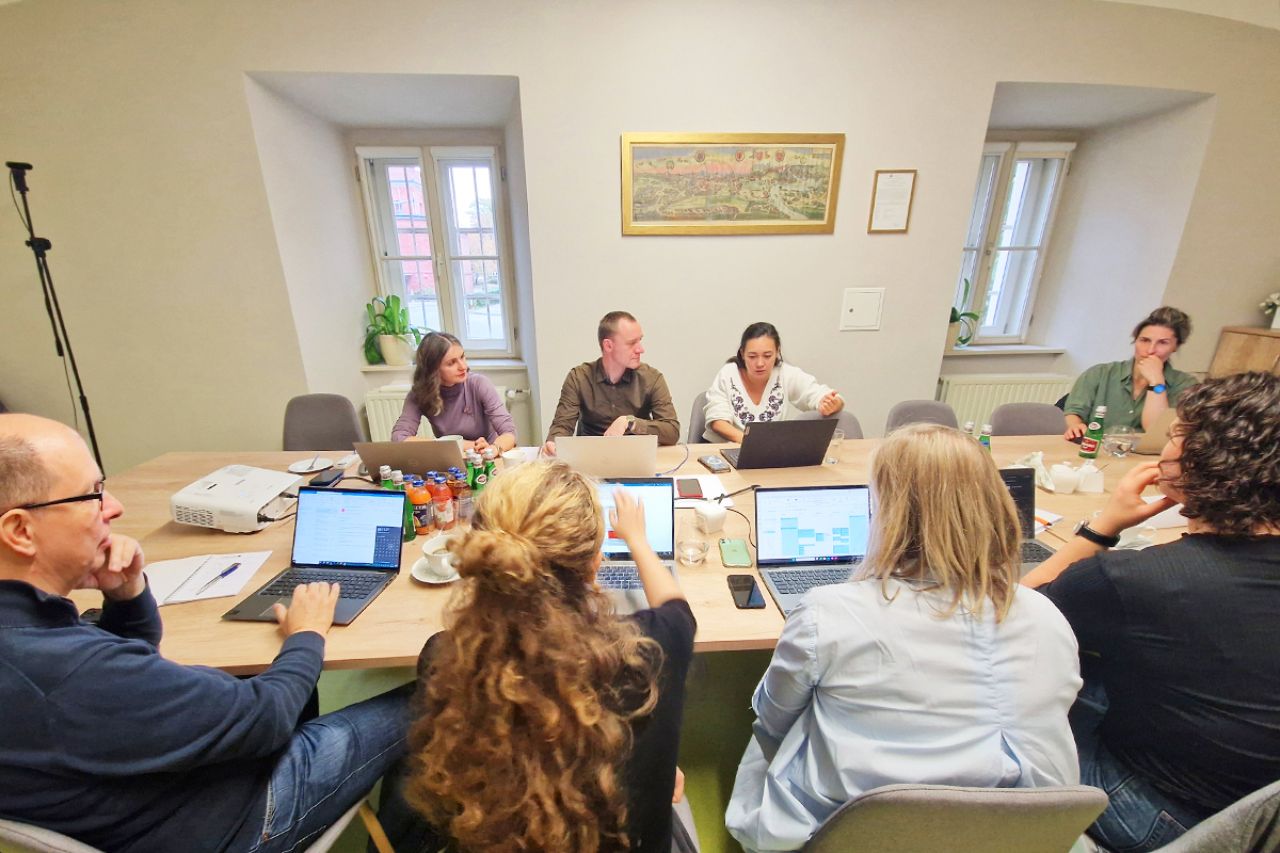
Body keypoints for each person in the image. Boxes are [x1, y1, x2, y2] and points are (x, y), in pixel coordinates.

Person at [0, 413, 411, 853]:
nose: (114, 508)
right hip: (235, 818)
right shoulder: (67, 671)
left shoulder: (32, 644)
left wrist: (126, 594)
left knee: (278, 677)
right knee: (441, 694)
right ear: (20, 530)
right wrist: (307, 634)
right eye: (93, 494)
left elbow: (127, 670)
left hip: (138, 801)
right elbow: (267, 717)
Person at [725, 424, 1081, 852]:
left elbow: (773, 720)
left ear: (886, 514)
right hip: (1014, 837)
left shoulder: (829, 612)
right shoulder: (1046, 617)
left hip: (851, 834)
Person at [379, 460, 696, 853]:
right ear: (594, 565)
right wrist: (638, 540)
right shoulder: (654, 646)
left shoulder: (446, 658)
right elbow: (677, 608)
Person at [1025, 371, 1280, 852]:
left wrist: (1102, 527)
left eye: (1177, 433)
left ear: (1194, 461)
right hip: (1262, 816)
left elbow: (1018, 615)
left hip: (1171, 820)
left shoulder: (1134, 580)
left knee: (1041, 689)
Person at [543, 311, 681, 455]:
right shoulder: (579, 378)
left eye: (640, 340)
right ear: (608, 346)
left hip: (635, 455)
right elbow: (562, 425)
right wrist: (553, 442)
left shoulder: (651, 378)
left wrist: (630, 422)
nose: (641, 349)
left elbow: (672, 431)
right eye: (631, 343)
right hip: (591, 456)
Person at [1062, 306, 1197, 439]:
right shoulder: (1100, 373)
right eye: (1144, 340)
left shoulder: (1186, 385)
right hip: (1095, 447)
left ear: (1175, 347)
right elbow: (1074, 412)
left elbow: (1156, 431)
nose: (1150, 350)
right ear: (1135, 340)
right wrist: (1075, 425)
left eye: (1162, 343)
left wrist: (1156, 382)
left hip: (1145, 452)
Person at [703, 322, 843, 442]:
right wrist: (750, 442)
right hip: (725, 449)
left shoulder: (785, 374)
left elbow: (822, 395)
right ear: (742, 353)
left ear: (777, 352)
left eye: (767, 356)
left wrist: (832, 403)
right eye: (752, 356)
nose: (760, 363)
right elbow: (717, 421)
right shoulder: (728, 373)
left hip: (767, 451)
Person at [390, 331, 517, 453]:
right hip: (450, 457)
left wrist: (493, 449)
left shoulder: (479, 384)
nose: (463, 366)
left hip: (487, 455)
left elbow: (509, 433)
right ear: (433, 370)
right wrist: (462, 445)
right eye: (451, 363)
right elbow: (399, 438)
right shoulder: (419, 394)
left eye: (462, 357)